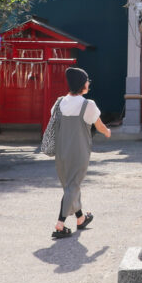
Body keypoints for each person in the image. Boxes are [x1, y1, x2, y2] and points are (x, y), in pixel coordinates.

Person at [52, 67, 111, 239]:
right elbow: (99, 126)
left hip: (61, 151)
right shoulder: (88, 105)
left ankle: (80, 219)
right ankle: (60, 224)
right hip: (78, 152)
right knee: (73, 185)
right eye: (87, 80)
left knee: (70, 185)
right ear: (82, 84)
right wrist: (107, 132)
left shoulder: (59, 102)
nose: (88, 83)